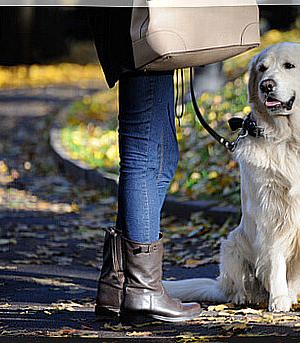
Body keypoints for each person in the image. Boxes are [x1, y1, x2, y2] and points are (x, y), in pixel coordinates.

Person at [85, 7, 202, 323]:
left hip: (133, 27)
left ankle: (117, 282)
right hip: (142, 29)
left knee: (160, 156)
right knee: (143, 156)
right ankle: (143, 289)